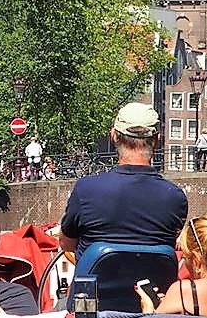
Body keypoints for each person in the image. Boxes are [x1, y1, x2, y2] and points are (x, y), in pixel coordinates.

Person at [58, 102, 188, 261]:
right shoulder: (175, 198)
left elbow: (66, 244)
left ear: (113, 136)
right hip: (153, 278)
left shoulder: (86, 190)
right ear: (157, 140)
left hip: (97, 278)